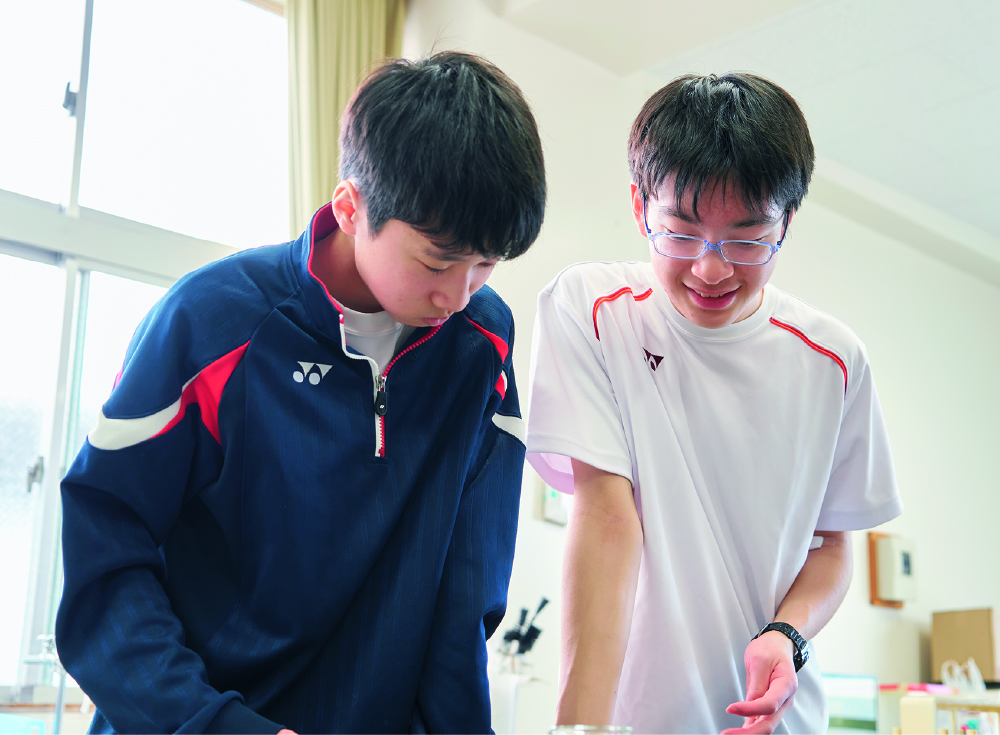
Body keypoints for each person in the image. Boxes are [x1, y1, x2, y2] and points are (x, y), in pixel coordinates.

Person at [55, 51, 545, 735]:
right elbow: (105, 556)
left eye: (486, 265)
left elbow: (465, 595)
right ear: (351, 207)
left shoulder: (482, 346)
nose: (458, 295)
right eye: (437, 262)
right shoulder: (211, 322)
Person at [525, 73, 902, 734]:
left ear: (786, 222)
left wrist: (786, 633)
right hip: (634, 718)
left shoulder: (834, 360)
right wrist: (579, 728)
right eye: (681, 233)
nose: (711, 268)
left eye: (747, 240)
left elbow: (833, 546)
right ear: (640, 207)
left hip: (776, 719)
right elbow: (606, 514)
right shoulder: (592, 310)